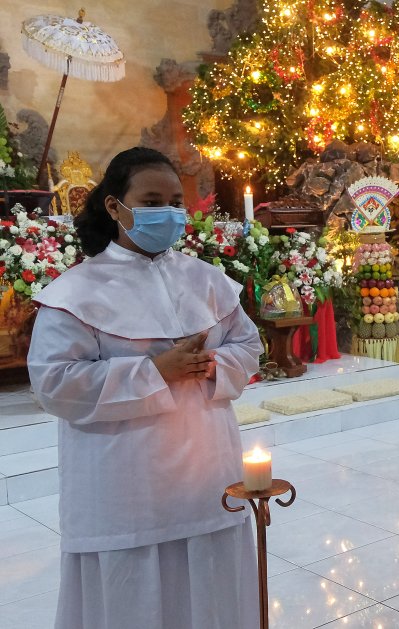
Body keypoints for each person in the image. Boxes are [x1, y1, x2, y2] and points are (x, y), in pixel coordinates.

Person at [27, 147, 263, 629]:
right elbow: (55, 383)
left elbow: (247, 343)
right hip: (124, 482)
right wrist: (157, 370)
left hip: (207, 475)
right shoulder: (76, 292)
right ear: (115, 207)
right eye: (153, 200)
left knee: (212, 596)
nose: (170, 213)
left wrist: (210, 363)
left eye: (176, 201)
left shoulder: (206, 279)